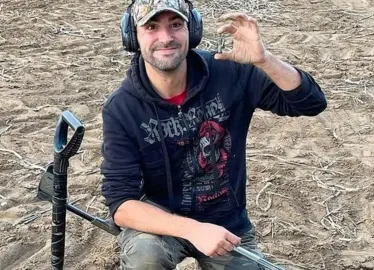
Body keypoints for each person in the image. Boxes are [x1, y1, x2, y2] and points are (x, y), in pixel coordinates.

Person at [100, 0, 327, 269]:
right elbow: (122, 204)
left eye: (175, 25)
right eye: (151, 27)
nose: (166, 38)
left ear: (192, 30)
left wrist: (265, 61)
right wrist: (193, 229)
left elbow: (311, 103)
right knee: (146, 255)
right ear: (132, 36)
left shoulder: (229, 72)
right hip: (161, 225)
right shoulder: (122, 107)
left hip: (226, 224)